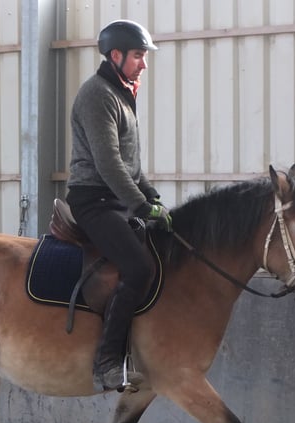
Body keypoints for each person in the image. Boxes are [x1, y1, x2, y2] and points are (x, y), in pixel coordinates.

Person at [66, 19, 172, 392]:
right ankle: (108, 363)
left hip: (115, 198)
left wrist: (152, 197)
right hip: (93, 199)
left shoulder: (122, 94)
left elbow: (131, 166)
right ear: (116, 56)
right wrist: (140, 205)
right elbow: (109, 163)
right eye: (139, 56)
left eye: (144, 56)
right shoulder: (98, 95)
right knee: (139, 268)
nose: (144, 63)